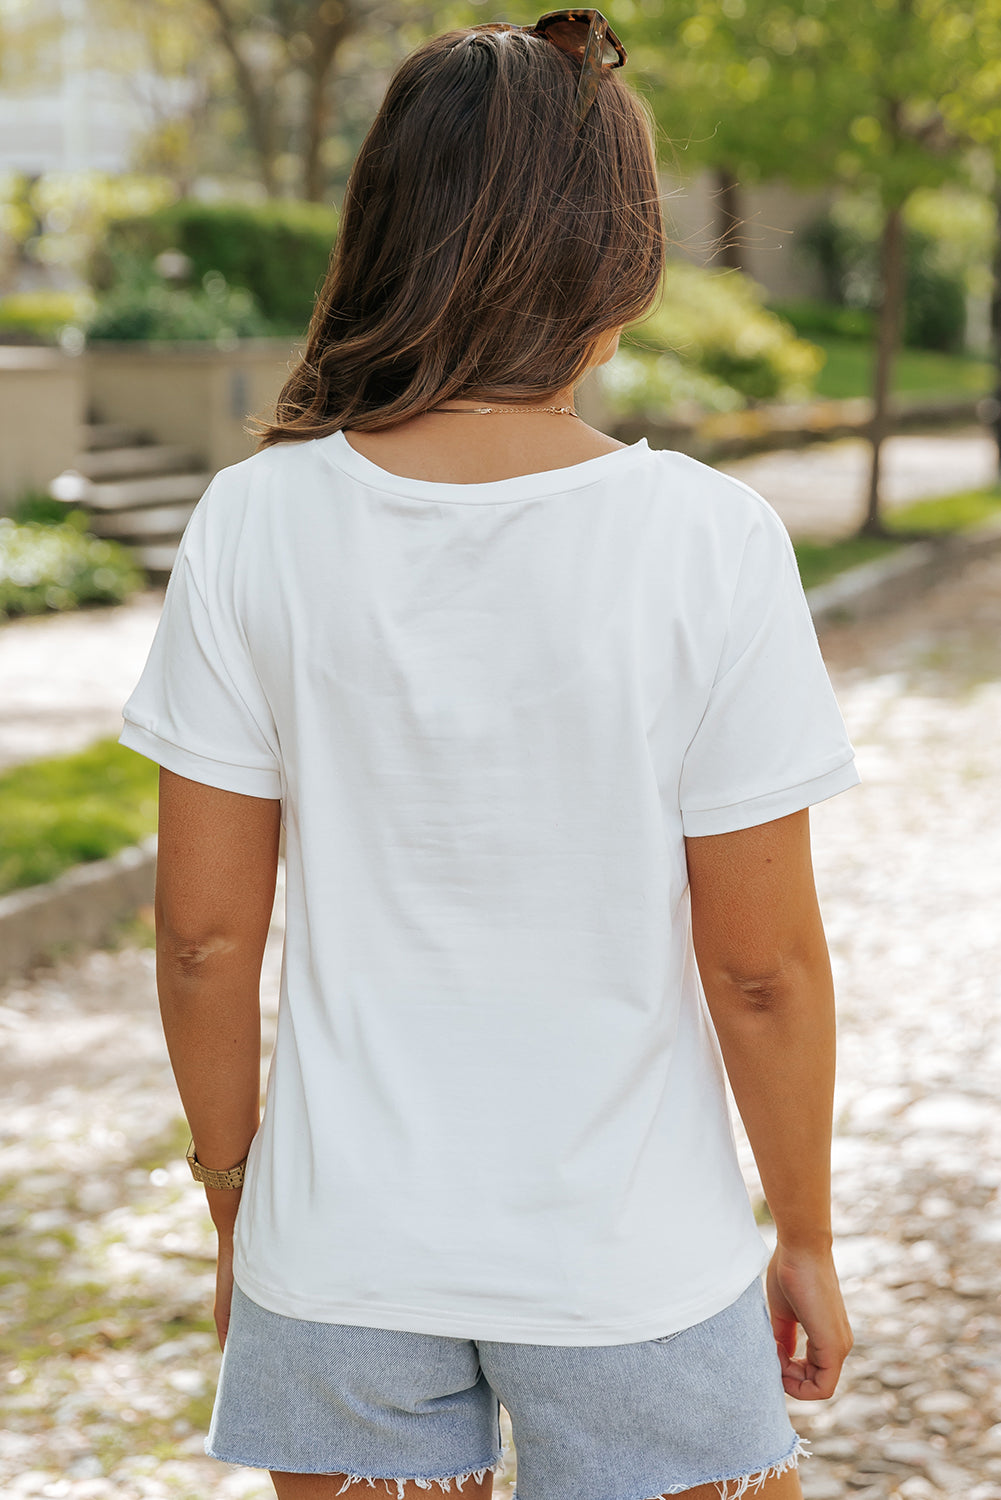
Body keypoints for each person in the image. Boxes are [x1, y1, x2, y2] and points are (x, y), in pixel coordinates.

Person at [119, 12, 858, 1500]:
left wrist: (235, 1210)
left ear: (382, 226)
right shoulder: (706, 543)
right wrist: (805, 1234)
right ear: (619, 250)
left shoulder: (254, 522)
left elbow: (203, 939)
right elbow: (761, 967)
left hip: (338, 1263)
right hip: (632, 1269)